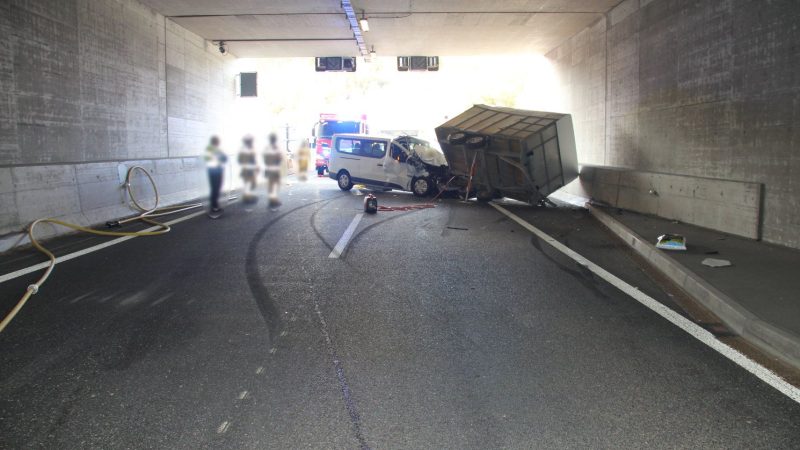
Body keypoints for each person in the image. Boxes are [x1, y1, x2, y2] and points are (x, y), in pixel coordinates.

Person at [204, 136, 227, 218]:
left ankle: (215, 206)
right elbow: (223, 159)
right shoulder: (212, 150)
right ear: (216, 142)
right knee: (215, 189)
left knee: (215, 189)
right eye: (218, 142)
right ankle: (213, 207)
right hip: (215, 172)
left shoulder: (212, 149)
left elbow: (224, 159)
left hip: (215, 172)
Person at [263, 133, 283, 208]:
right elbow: (279, 158)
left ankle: (272, 200)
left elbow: (264, 158)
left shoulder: (266, 148)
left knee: (270, 186)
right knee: (275, 185)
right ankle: (273, 200)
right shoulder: (276, 148)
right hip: (275, 170)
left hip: (268, 169)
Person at [238, 134, 259, 207]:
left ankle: (248, 197)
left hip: (248, 169)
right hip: (247, 169)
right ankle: (247, 198)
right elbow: (241, 160)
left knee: (250, 184)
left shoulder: (248, 148)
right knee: (249, 184)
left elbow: (253, 159)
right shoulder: (246, 149)